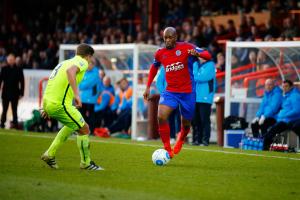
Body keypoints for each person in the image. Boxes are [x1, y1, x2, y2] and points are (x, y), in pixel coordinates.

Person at [143, 27, 211, 158]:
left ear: (175, 37)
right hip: (171, 91)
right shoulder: (160, 53)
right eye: (165, 38)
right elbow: (154, 68)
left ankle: (181, 138)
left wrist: (198, 54)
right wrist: (147, 86)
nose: (167, 40)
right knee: (161, 116)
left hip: (187, 92)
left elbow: (208, 55)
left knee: (185, 123)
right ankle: (167, 149)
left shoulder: (186, 47)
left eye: (170, 37)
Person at [40, 43, 103, 170]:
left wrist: (45, 106)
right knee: (85, 129)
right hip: (59, 104)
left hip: (50, 101)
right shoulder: (82, 62)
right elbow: (71, 72)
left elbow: (52, 82)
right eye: (91, 58)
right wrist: (77, 95)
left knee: (71, 125)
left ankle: (50, 154)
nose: (90, 61)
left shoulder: (63, 63)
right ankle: (86, 163)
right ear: (88, 56)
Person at [263, 80, 300, 150]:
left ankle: (265, 149)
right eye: (283, 86)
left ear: (291, 87)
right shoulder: (286, 96)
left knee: (270, 132)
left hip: (288, 121)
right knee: (268, 127)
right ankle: (267, 146)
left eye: (286, 86)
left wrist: (284, 115)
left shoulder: (295, 96)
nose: (284, 88)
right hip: (282, 120)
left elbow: (297, 110)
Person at [192, 55, 216, 146]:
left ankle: (205, 140)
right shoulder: (198, 65)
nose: (199, 57)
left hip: (205, 98)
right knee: (195, 120)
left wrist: (195, 69)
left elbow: (201, 78)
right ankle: (196, 140)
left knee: (204, 120)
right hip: (196, 97)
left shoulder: (210, 65)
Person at [78, 57, 102, 134]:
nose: (88, 65)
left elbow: (87, 84)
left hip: (91, 98)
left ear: (93, 64)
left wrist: (82, 85)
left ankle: (91, 130)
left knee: (91, 116)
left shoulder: (96, 73)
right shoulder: (84, 72)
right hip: (83, 98)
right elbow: (79, 83)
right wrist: (82, 85)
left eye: (89, 64)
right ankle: (84, 129)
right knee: (82, 115)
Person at [0, 54, 24, 129]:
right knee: (4, 109)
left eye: (12, 59)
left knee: (14, 109)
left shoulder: (19, 69)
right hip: (5, 93)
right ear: (7, 60)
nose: (10, 61)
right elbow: (0, 80)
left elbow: (22, 82)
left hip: (15, 93)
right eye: (9, 59)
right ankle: (2, 123)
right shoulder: (4, 69)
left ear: (14, 60)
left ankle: (15, 124)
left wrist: (21, 93)